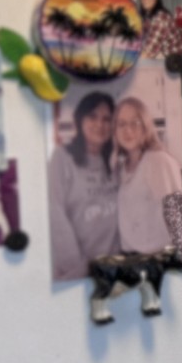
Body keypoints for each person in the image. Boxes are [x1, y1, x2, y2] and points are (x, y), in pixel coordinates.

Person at [49, 91, 119, 281]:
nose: (100, 125)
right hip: (77, 272)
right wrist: (79, 268)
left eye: (106, 119)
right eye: (93, 116)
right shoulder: (62, 158)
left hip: (113, 269)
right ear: (80, 120)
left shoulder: (116, 161)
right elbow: (55, 215)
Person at [113, 96, 182, 259]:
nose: (128, 130)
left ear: (145, 126)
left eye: (135, 123)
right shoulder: (123, 166)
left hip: (156, 259)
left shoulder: (157, 160)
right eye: (122, 124)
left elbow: (176, 216)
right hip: (131, 258)